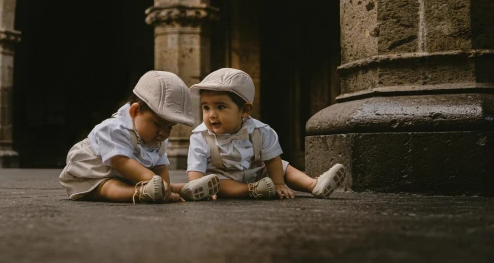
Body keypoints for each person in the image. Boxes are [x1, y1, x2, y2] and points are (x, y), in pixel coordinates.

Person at [59, 70, 221, 203]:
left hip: (131, 176)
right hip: (93, 174)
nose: (163, 133)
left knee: (157, 184)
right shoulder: (113, 129)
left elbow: (160, 168)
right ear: (135, 111)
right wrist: (152, 179)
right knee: (109, 186)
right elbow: (121, 162)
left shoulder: (157, 139)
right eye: (158, 124)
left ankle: (184, 189)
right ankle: (139, 193)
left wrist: (165, 187)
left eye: (169, 127)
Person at [186, 68, 345, 200]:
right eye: (206, 107)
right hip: (224, 180)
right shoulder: (200, 137)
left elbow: (272, 159)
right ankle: (251, 190)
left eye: (220, 107)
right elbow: (196, 170)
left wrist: (278, 184)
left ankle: (313, 185)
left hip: (255, 174)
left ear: (245, 110)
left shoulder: (261, 131)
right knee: (216, 181)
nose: (211, 114)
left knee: (282, 166)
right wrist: (200, 187)